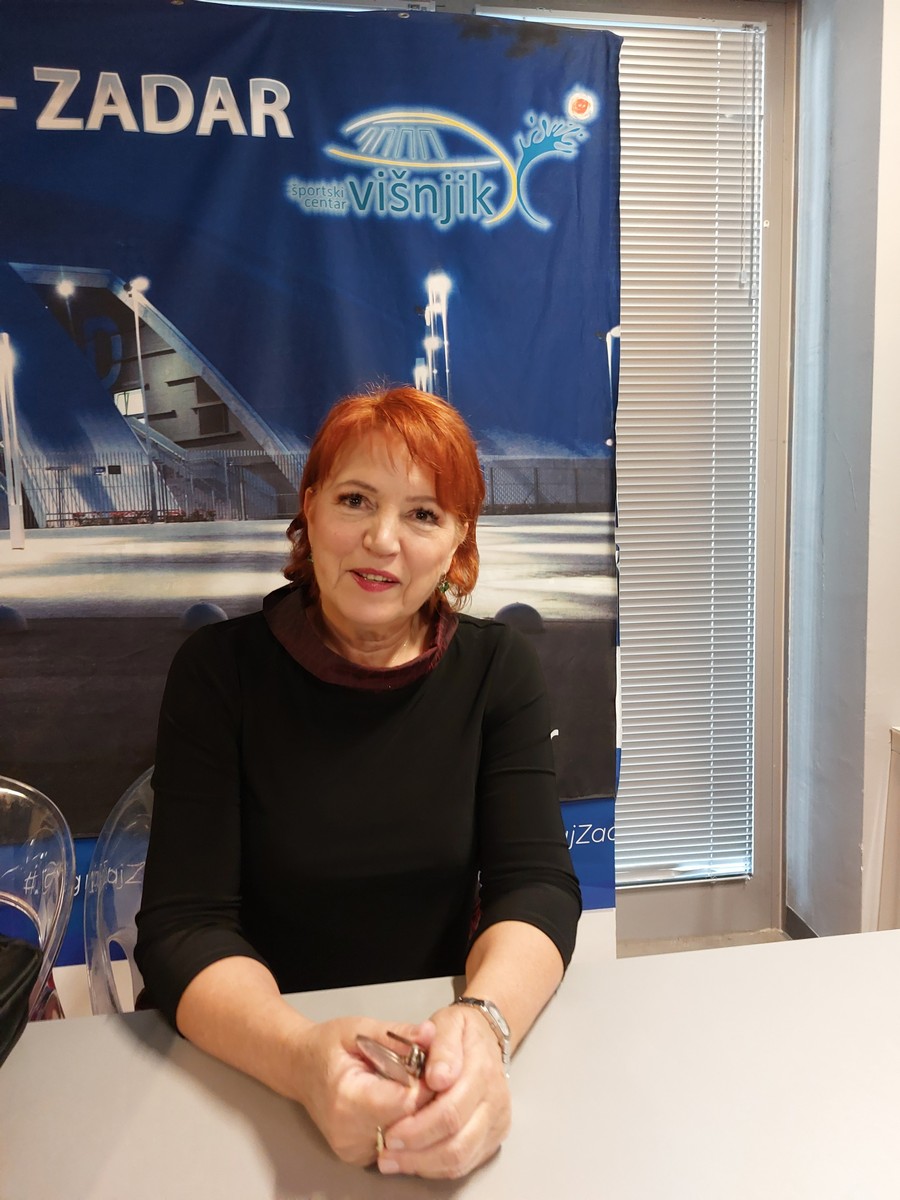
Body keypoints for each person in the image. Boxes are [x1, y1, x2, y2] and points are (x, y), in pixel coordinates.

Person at [135, 385, 581, 1180]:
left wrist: (482, 1027)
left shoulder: (498, 669)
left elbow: (536, 887)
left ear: (458, 539)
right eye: (355, 500)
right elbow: (184, 928)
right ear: (309, 509)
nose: (382, 540)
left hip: (428, 1047)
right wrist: (302, 1058)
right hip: (249, 1064)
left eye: (423, 514)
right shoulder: (218, 672)